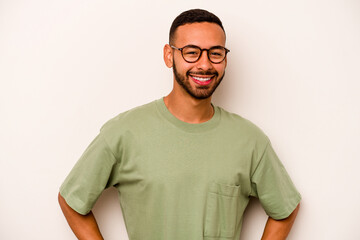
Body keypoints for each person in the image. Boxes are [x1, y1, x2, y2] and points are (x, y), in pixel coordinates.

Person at [58, 8, 301, 240]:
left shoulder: (250, 141)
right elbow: (71, 201)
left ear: (225, 59)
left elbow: (285, 209)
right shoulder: (123, 132)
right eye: (191, 52)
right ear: (169, 55)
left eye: (215, 53)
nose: (205, 64)